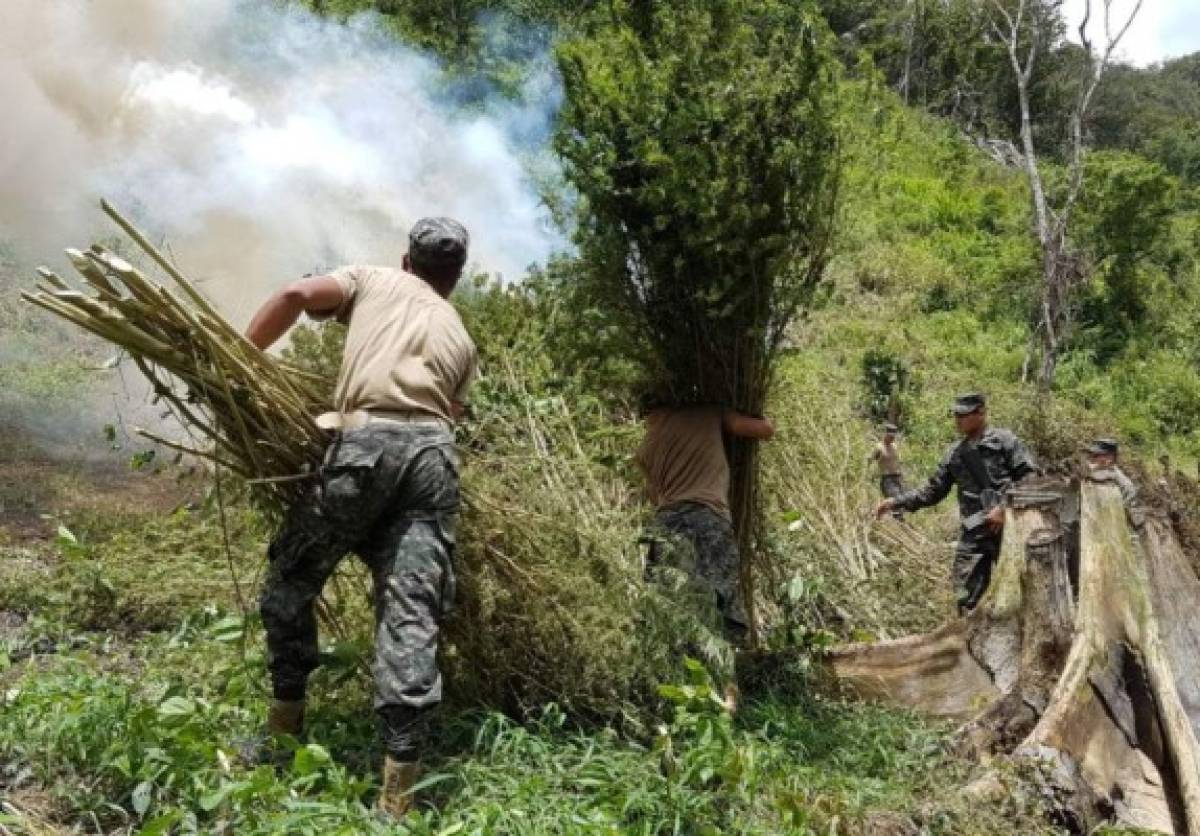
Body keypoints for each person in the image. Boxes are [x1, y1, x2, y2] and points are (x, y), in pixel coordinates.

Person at [244, 218, 477, 818]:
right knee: (410, 610)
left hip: (367, 448)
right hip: (434, 461)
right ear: (454, 278)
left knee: (292, 577)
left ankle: (284, 729)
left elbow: (297, 296)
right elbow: (451, 410)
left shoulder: (371, 278)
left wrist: (240, 364)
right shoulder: (458, 330)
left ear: (406, 260)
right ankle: (398, 798)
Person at [874, 393, 1036, 614]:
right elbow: (932, 492)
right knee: (964, 593)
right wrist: (895, 502)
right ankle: (968, 636)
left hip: (1010, 528)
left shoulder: (1005, 441)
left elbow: (1029, 478)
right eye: (956, 415)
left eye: (964, 415)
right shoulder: (955, 454)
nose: (958, 420)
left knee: (1024, 589)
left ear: (981, 413)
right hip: (975, 532)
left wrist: (1004, 508)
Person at [636, 403, 774, 647]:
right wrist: (763, 416)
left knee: (670, 601)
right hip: (707, 518)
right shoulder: (706, 413)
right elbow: (762, 430)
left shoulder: (646, 448)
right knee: (721, 599)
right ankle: (724, 662)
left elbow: (655, 497)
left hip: (667, 525)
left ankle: (680, 664)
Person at [1086, 438, 1139, 506]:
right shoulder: (1087, 470)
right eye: (1092, 454)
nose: (1092, 458)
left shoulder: (1124, 484)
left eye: (1096, 455)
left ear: (1110, 457)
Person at [870, 422, 904, 500]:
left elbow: (898, 461)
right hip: (887, 479)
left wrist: (901, 475)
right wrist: (873, 476)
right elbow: (871, 461)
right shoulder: (879, 447)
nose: (893, 438)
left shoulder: (895, 446)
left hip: (898, 478)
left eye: (894, 437)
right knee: (894, 501)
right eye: (891, 437)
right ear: (886, 435)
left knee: (902, 502)